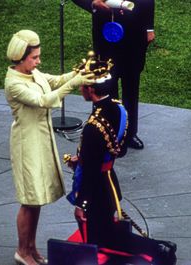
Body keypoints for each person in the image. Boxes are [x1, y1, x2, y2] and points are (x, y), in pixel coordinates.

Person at [66, 67, 177, 264]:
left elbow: (91, 172)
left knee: (106, 239)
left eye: (82, 85)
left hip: (97, 191)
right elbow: (116, 147)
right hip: (110, 181)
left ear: (90, 89)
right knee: (108, 232)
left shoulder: (94, 127)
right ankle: (160, 246)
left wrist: (81, 204)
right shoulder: (119, 108)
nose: (79, 88)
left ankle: (159, 248)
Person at [4, 29, 95, 265]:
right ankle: (22, 251)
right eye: (34, 57)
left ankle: (31, 248)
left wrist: (76, 73)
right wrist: (76, 82)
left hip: (41, 139)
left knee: (36, 198)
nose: (38, 61)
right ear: (20, 58)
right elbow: (44, 101)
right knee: (29, 199)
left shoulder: (32, 73)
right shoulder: (14, 83)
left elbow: (52, 81)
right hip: (27, 143)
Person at [72, 0, 156, 150]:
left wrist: (149, 27)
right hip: (106, 34)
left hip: (135, 32)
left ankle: (130, 134)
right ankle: (104, 131)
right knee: (105, 84)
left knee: (131, 84)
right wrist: (93, 3)